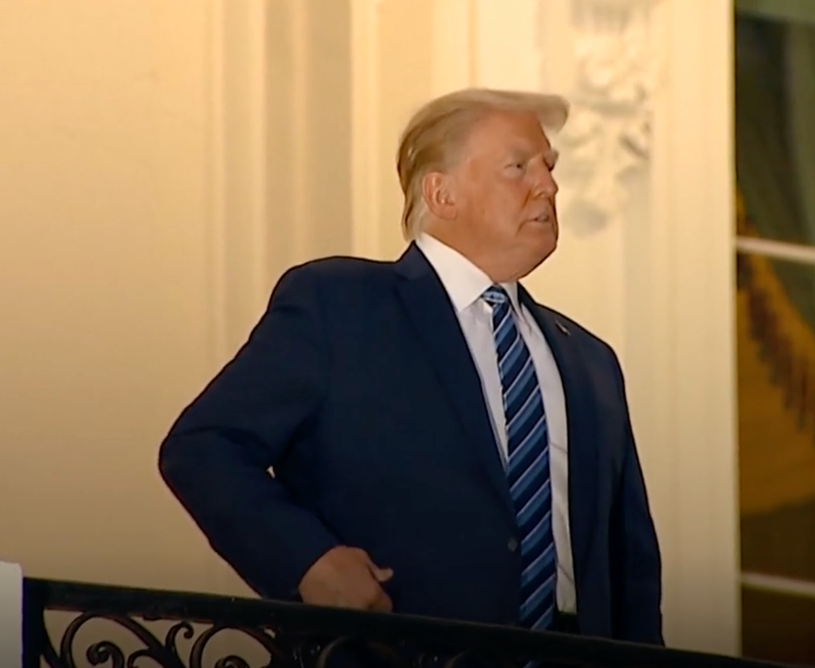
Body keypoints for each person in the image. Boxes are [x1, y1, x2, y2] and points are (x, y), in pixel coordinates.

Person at [158, 87, 664, 645]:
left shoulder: (590, 362)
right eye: (518, 166)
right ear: (441, 194)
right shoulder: (340, 305)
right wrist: (308, 562)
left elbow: (630, 569)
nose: (548, 184)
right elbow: (204, 448)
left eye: (549, 166)